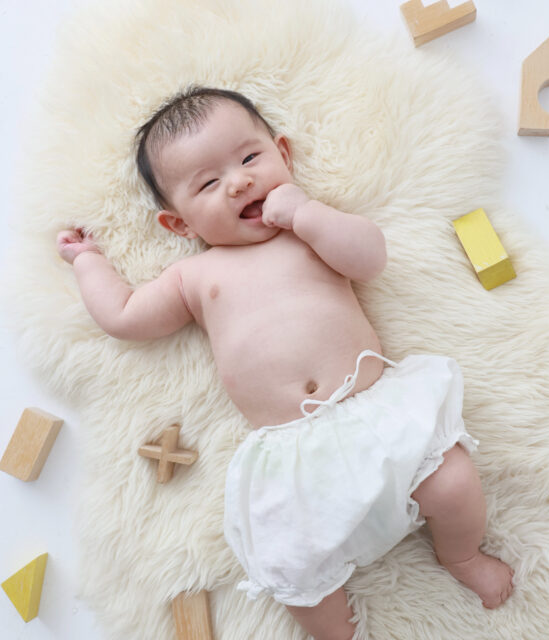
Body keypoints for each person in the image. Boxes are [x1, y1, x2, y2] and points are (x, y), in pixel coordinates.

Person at [57, 86, 514, 640]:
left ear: (283, 155)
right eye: (208, 184)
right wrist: (88, 262)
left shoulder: (309, 233)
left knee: (453, 483)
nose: (239, 182)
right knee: (290, 568)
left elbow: (370, 258)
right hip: (294, 454)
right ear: (181, 225)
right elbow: (125, 316)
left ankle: (462, 556)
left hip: (373, 414)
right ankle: (337, 632)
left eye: (250, 158)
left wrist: (306, 214)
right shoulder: (193, 277)